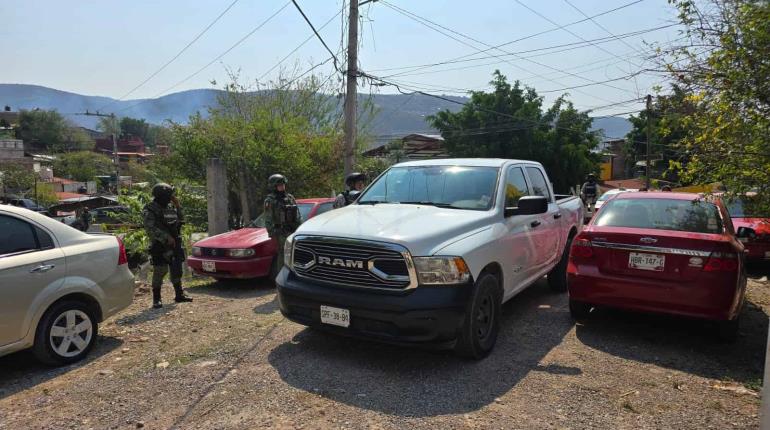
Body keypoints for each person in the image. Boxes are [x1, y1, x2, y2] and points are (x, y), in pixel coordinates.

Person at [143, 183, 192, 309]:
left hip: (174, 242)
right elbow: (150, 228)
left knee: (176, 268)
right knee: (160, 270)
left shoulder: (170, 207)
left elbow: (181, 220)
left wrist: (178, 206)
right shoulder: (150, 209)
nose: (171, 197)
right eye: (169, 196)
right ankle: (157, 299)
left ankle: (179, 294)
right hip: (160, 245)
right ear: (162, 196)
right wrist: (166, 238)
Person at [264, 174, 302, 280]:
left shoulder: (290, 197)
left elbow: (297, 214)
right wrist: (272, 233)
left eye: (283, 185)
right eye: (280, 185)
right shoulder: (270, 200)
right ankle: (281, 278)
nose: (282, 187)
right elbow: (268, 218)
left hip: (292, 229)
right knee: (282, 254)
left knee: (294, 253)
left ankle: (294, 276)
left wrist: (299, 228)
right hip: (279, 231)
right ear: (274, 186)